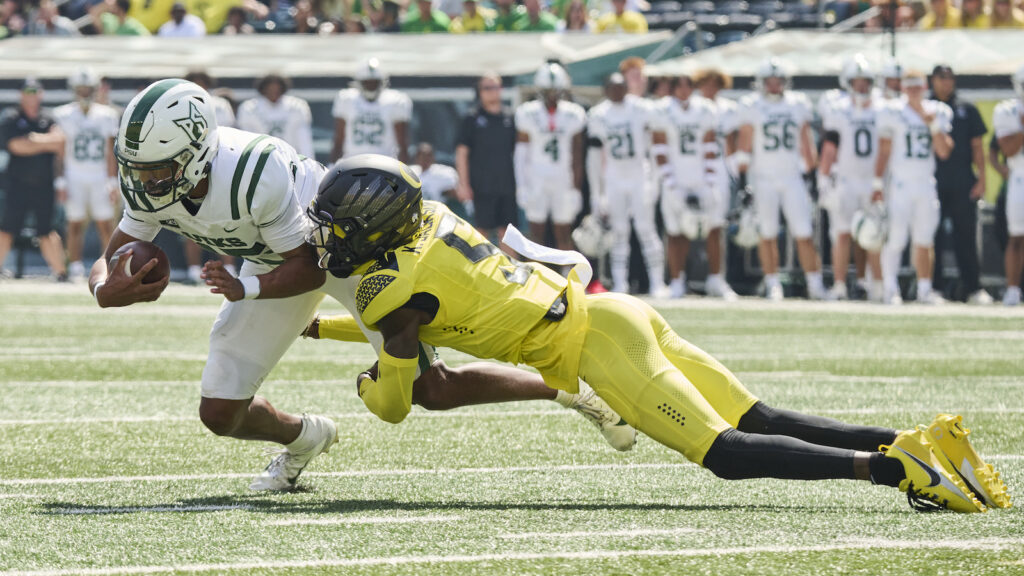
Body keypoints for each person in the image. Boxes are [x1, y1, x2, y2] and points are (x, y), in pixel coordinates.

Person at [308, 154, 1009, 514]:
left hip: (598, 347)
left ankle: (896, 470)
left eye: (340, 221)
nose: (331, 234)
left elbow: (397, 397)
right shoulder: (430, 223)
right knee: (758, 416)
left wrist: (372, 381)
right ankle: (917, 440)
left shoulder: (390, 291)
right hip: (615, 311)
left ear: (376, 222)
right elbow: (408, 318)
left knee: (728, 453)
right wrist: (317, 328)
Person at [89, 79, 636, 492]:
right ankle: (306, 437)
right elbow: (109, 254)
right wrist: (102, 289)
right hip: (269, 264)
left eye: (157, 168)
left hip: (347, 252)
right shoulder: (149, 177)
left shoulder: (256, 170)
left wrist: (246, 290)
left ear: (197, 151)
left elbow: (313, 267)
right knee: (220, 414)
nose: (143, 179)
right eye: (137, 166)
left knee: (430, 390)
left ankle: (566, 390)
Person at [736, 59, 826, 301]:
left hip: (792, 177)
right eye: (770, 82)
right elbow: (745, 144)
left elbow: (806, 143)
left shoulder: (797, 104)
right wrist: (743, 180)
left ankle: (814, 283)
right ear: (761, 83)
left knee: (804, 232)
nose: (775, 86)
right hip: (764, 178)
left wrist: (811, 173)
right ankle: (772, 283)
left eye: (778, 81)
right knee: (768, 233)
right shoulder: (752, 106)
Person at [873, 70, 954, 305]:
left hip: (925, 182)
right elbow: (885, 149)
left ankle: (924, 289)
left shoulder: (936, 111)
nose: (914, 92)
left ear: (924, 87)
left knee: (924, 239)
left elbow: (944, 151)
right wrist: (877, 183)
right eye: (910, 88)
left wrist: (933, 125)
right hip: (900, 183)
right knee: (896, 237)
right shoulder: (892, 111)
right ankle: (890, 287)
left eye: (918, 87)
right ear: (903, 89)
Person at [588, 73, 665, 296]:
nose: (617, 91)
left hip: (639, 173)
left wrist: (654, 180)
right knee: (618, 232)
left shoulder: (642, 109)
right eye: (612, 87)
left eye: (621, 87)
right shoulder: (599, 114)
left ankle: (657, 282)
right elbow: (594, 158)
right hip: (614, 176)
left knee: (646, 229)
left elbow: (654, 147)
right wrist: (597, 192)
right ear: (606, 90)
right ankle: (620, 283)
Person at [818, 57, 885, 302]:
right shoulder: (838, 108)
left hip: (872, 181)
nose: (861, 87)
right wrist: (823, 179)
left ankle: (877, 285)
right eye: (856, 82)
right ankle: (839, 285)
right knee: (842, 234)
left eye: (865, 82)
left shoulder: (882, 107)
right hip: (845, 180)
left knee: (874, 235)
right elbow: (830, 146)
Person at [928, 65, 991, 304]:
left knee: (965, 236)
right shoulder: (925, 108)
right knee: (931, 236)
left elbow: (978, 147)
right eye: (942, 78)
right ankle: (933, 287)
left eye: (950, 78)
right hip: (932, 180)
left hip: (963, 180)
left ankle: (973, 287)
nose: (947, 82)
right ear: (933, 80)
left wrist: (982, 179)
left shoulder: (967, 107)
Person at [53, 67, 120, 282]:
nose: (84, 93)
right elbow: (60, 151)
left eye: (87, 88)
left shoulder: (107, 114)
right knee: (74, 223)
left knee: (106, 223)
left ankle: (110, 265)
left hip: (99, 175)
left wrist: (112, 181)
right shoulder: (63, 113)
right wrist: (61, 180)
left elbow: (111, 151)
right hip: (74, 174)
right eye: (80, 89)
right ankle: (75, 267)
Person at [0, 79, 68, 280]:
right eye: (27, 91)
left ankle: (60, 273)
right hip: (16, 185)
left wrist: (32, 140)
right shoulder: (11, 117)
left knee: (47, 230)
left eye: (35, 91)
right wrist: (45, 142)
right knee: (6, 228)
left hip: (44, 185)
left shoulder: (48, 117)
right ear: (21, 94)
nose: (31, 95)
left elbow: (61, 142)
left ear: (41, 94)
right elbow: (15, 146)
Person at [514, 62, 585, 251]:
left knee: (563, 231)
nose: (552, 95)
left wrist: (576, 189)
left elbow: (577, 156)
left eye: (556, 90)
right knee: (536, 233)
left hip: (563, 177)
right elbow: (521, 154)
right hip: (536, 176)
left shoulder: (573, 114)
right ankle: (536, 276)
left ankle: (567, 276)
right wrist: (521, 185)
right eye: (548, 91)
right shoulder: (527, 113)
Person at [182, 70, 238, 284]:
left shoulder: (220, 105)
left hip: (217, 165)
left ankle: (230, 266)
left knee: (225, 219)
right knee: (189, 219)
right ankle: (193, 269)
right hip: (188, 169)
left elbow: (229, 135)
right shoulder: (180, 105)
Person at [694, 68, 741, 300]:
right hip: (692, 168)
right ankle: (677, 278)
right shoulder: (691, 107)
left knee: (716, 224)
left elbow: (731, 145)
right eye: (705, 83)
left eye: (714, 84)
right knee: (683, 226)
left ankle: (716, 278)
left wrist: (735, 175)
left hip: (719, 169)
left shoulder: (728, 109)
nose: (709, 88)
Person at [455, 72, 518, 242]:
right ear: (480, 91)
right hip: (481, 186)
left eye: (495, 87)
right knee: (481, 233)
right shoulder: (472, 118)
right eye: (487, 88)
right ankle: (484, 269)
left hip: (507, 185)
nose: (492, 91)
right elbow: (462, 153)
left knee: (508, 233)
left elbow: (519, 152)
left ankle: (509, 269)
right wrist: (464, 184)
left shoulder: (510, 117)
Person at [331, 58, 411, 163]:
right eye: (367, 82)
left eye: (374, 83)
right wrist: (332, 165)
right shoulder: (346, 99)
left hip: (385, 162)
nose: (371, 86)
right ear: (359, 82)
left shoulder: (395, 101)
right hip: (352, 162)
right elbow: (339, 140)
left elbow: (402, 144)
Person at [993, 64, 1024, 306]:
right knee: (1016, 236)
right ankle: (1012, 289)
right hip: (1020, 176)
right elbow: (1008, 148)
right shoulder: (1007, 110)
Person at [236, 74, 315, 158]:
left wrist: (308, 161)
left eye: (277, 89)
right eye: (270, 89)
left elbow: (304, 141)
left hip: (291, 160)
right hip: (260, 160)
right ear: (263, 89)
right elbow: (247, 140)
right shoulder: (249, 108)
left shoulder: (297, 106)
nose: (273, 92)